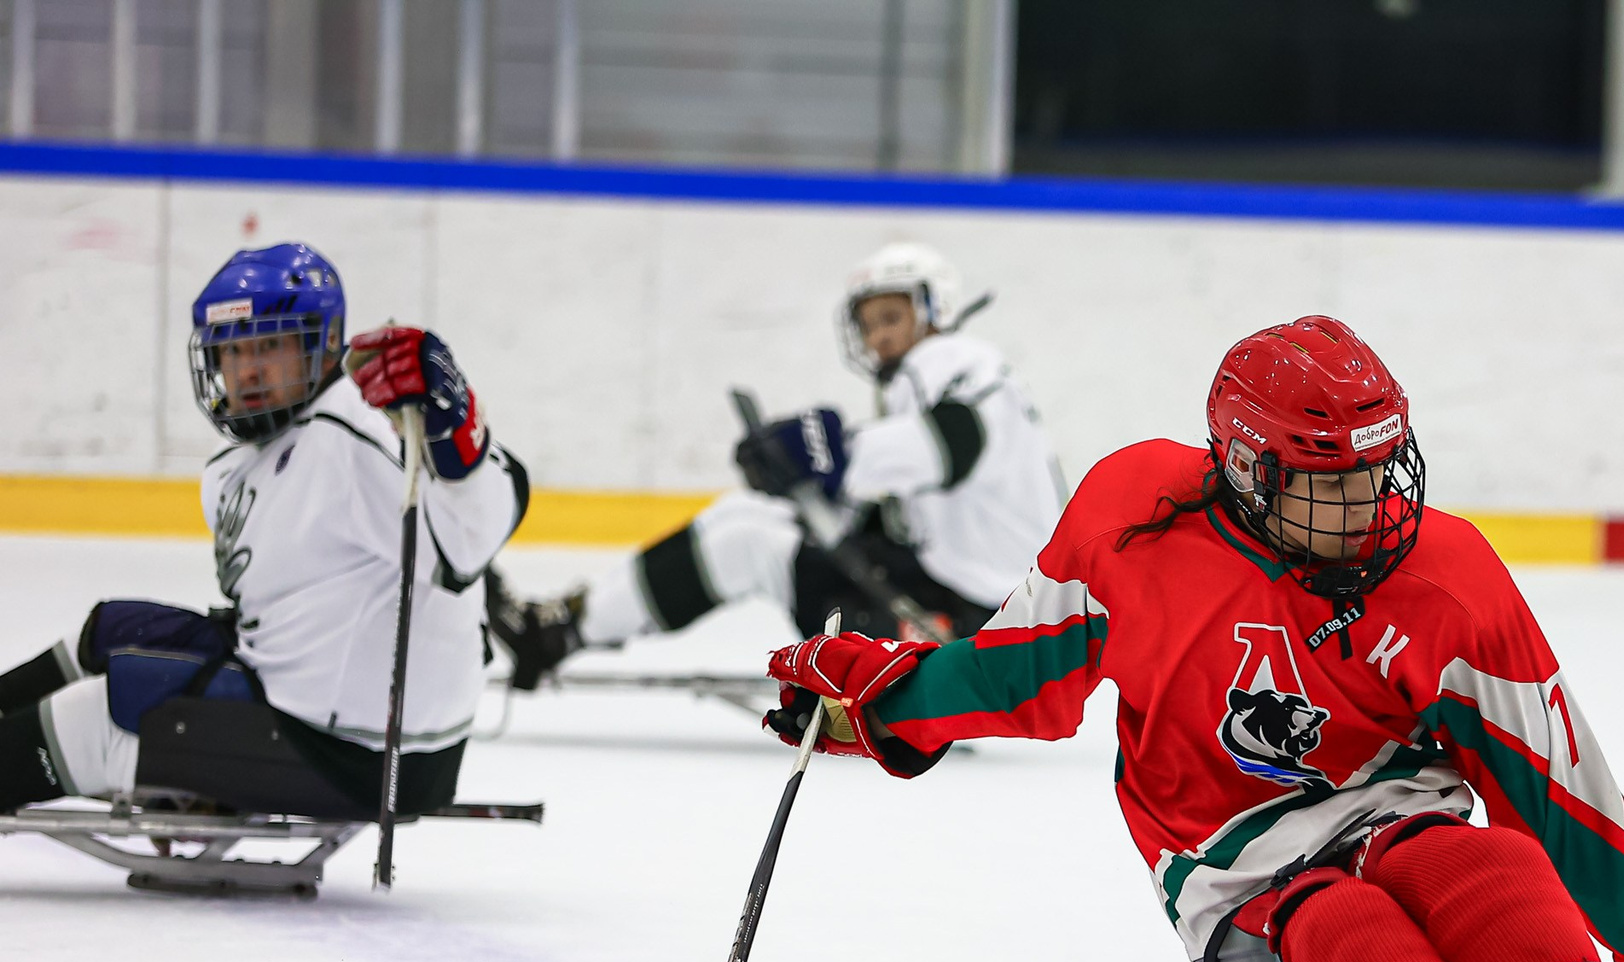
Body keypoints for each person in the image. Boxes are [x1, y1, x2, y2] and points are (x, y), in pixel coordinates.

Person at [754, 317, 1624, 962]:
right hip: (1244, 881)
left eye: (1379, 472)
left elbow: (1554, 780)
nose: (1366, 507)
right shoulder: (1135, 524)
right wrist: (881, 703)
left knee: (1479, 860)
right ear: (1244, 469)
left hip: (1394, 811)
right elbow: (1022, 673)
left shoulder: (1444, 576)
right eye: (1330, 485)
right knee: (1338, 921)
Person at [0, 242, 525, 819]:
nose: (246, 369)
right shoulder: (247, 462)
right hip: (313, 712)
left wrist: (459, 435)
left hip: (360, 756)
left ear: (323, 344)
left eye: (269, 345)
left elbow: (465, 545)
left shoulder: (348, 434)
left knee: (100, 717)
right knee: (109, 631)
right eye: (232, 348)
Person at [490, 242, 1065, 688]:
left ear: (934, 308)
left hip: (977, 631)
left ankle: (564, 633)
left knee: (745, 541)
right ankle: (576, 618)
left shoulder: (952, 358)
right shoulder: (963, 375)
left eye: (892, 317)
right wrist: (812, 478)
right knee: (747, 514)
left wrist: (824, 455)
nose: (881, 337)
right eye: (869, 325)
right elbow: (919, 484)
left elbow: (947, 446)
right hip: (991, 616)